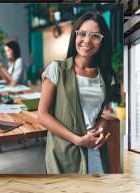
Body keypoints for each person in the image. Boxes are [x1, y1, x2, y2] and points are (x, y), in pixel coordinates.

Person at [37, 11, 115, 174]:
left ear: (102, 41)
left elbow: (95, 114)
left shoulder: (106, 76)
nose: (87, 40)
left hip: (93, 148)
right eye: (82, 34)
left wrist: (101, 126)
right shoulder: (57, 69)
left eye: (95, 36)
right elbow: (42, 115)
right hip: (64, 150)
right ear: (75, 36)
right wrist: (79, 140)